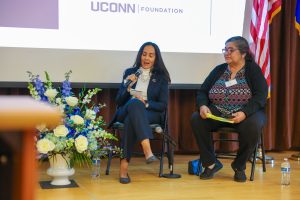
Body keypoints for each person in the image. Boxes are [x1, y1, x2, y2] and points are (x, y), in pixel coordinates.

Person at [190, 36, 268, 182]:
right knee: (197, 119)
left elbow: (261, 96)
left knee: (253, 125)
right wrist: (203, 105)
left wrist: (244, 113)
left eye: (231, 50)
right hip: (219, 111)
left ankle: (239, 166)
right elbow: (203, 91)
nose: (226, 53)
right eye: (225, 49)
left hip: (246, 112)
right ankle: (211, 163)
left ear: (243, 53)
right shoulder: (219, 70)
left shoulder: (252, 70)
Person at [109, 42, 171, 184]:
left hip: (149, 113)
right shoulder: (129, 72)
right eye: (144, 54)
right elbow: (119, 100)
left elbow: (163, 105)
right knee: (134, 103)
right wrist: (127, 86)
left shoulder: (161, 77)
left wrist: (146, 103)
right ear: (140, 55)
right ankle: (147, 150)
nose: (146, 58)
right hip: (125, 110)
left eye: (151, 55)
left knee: (134, 114)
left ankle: (124, 167)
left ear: (156, 58)